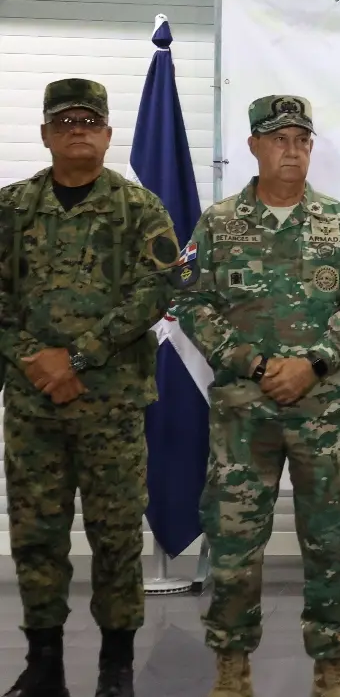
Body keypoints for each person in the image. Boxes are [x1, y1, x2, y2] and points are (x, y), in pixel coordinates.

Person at [173, 95, 340, 697]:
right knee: (235, 541)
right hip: (245, 413)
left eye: (301, 140)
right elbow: (189, 300)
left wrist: (314, 363)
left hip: (322, 412)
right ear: (253, 147)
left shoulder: (338, 222)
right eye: (278, 140)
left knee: (331, 538)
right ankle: (232, 664)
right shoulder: (219, 224)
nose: (292, 151)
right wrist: (255, 363)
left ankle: (331, 664)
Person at [0, 79, 182, 697]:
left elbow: (155, 291)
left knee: (116, 535)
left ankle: (116, 669)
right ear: (45, 134)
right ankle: (43, 664)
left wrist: (76, 356)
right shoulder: (11, 208)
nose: (77, 131)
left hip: (111, 403)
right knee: (36, 535)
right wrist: (35, 360)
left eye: (88, 122)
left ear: (107, 134)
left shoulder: (139, 209)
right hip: (32, 405)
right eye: (64, 122)